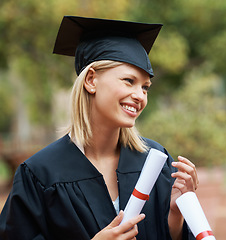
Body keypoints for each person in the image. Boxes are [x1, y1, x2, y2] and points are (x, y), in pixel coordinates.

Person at [0, 16, 199, 240]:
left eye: (145, 87)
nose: (139, 96)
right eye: (128, 81)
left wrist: (175, 216)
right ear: (91, 80)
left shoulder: (154, 162)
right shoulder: (40, 173)